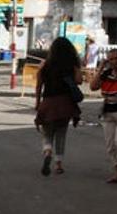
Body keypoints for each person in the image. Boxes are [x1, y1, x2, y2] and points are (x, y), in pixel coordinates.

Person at [35, 37, 82, 176]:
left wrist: (37, 102)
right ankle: (58, 164)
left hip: (48, 103)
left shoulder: (45, 65)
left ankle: (48, 150)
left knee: (46, 132)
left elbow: (39, 86)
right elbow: (79, 81)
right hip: (66, 103)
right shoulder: (71, 66)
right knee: (61, 133)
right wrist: (76, 68)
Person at [89, 48, 117, 183]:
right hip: (108, 113)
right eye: (110, 59)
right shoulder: (107, 74)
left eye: (116, 58)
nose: (113, 62)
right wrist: (101, 67)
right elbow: (93, 86)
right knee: (110, 145)